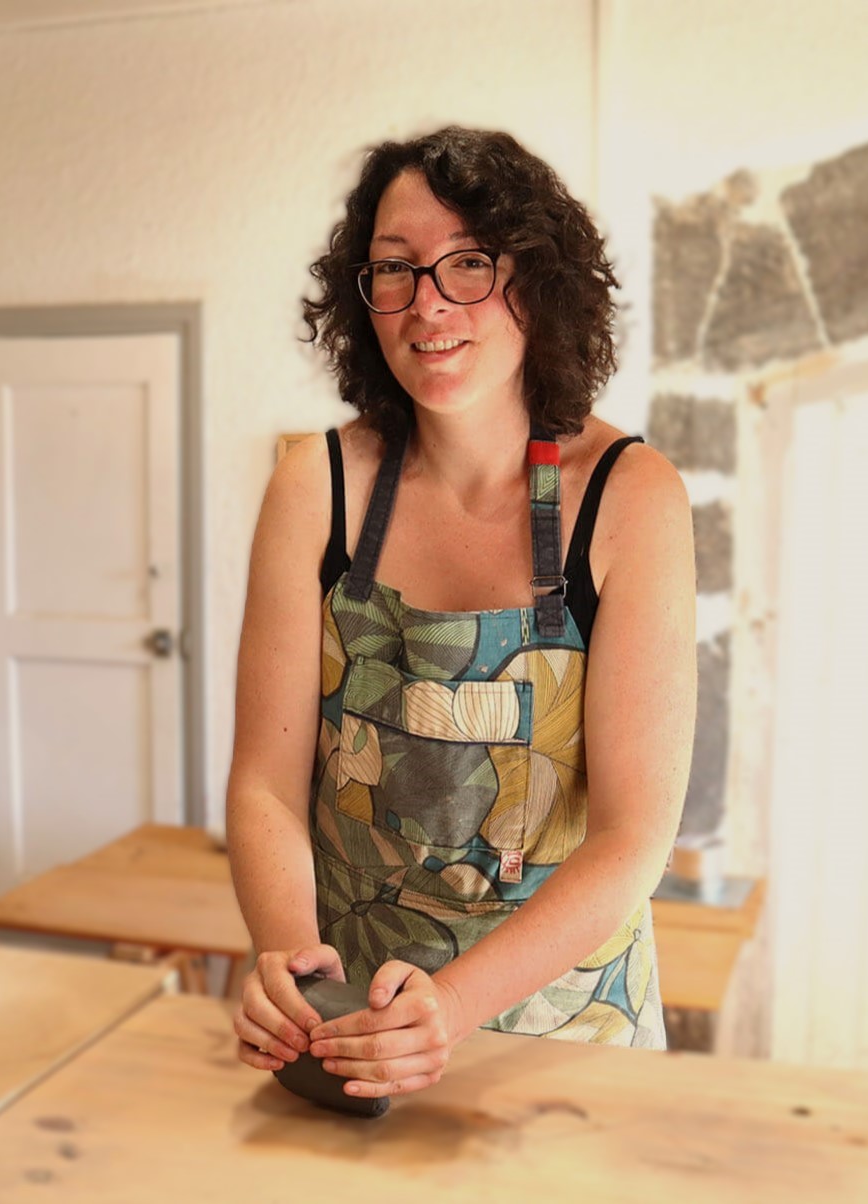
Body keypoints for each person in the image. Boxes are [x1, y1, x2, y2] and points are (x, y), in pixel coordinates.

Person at [226, 126, 696, 1103]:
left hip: (564, 1043)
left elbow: (630, 837)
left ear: (536, 281)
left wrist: (450, 1003)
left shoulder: (628, 497)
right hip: (358, 1033)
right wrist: (295, 969)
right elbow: (267, 786)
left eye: (467, 264)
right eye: (394, 270)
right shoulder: (317, 488)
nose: (427, 303)